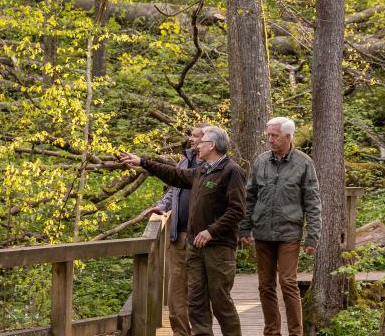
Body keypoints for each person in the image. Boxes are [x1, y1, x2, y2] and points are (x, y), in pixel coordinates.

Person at [120, 125, 245, 336]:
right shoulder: (202, 171)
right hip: (195, 247)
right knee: (196, 301)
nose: (197, 146)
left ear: (212, 145)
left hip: (218, 247)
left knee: (220, 301)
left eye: (202, 141)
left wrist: (211, 231)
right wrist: (143, 162)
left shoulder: (232, 171)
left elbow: (237, 210)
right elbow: (175, 175)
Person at [239, 117, 321, 336]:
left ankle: (296, 332)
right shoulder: (261, 161)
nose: (270, 139)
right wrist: (244, 228)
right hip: (263, 232)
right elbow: (250, 196)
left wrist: (312, 237)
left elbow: (312, 202)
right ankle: (271, 331)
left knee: (287, 282)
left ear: (288, 136)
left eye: (274, 135)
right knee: (265, 285)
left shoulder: (304, 163)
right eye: (268, 135)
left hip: (289, 233)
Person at [143, 125, 205, 336]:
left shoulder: (215, 165)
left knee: (197, 288)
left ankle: (200, 331)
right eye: (192, 136)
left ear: (207, 141)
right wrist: (163, 206)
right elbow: (174, 188)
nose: (191, 140)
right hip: (177, 234)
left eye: (195, 136)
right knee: (176, 289)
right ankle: (180, 332)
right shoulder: (185, 160)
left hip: (202, 237)